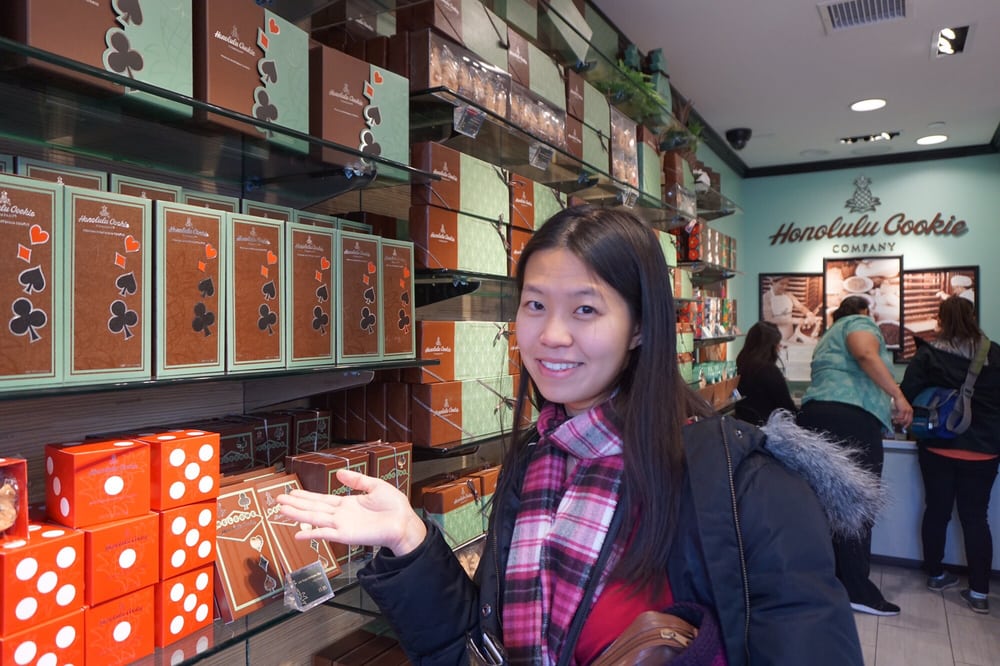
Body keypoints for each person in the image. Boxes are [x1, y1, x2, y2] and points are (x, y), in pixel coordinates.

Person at [277, 207, 877, 665]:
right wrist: (409, 539)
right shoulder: (536, 461)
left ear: (640, 327)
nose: (552, 335)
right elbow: (477, 651)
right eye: (535, 305)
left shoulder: (747, 486)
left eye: (585, 309)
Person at [797, 295, 914, 617]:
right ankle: (856, 590)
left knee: (824, 505)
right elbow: (864, 352)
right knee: (856, 505)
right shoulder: (859, 322)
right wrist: (898, 395)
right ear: (864, 311)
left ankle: (824, 582)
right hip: (849, 420)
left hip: (816, 416)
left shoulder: (827, 336)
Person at [900, 296, 1000, 614]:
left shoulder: (929, 354)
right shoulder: (995, 353)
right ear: (973, 317)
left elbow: (907, 393)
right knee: (976, 518)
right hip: (984, 450)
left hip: (938, 446)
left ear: (940, 320)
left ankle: (936, 574)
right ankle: (980, 593)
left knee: (937, 510)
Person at [734, 320, 797, 425]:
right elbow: (787, 409)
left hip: (743, 427)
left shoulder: (740, 365)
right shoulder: (769, 371)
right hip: (767, 428)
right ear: (771, 347)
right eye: (778, 344)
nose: (779, 348)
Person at [762, 277, 820, 344]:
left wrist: (809, 314)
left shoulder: (788, 294)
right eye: (782, 284)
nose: (785, 287)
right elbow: (769, 319)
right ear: (773, 282)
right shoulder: (766, 297)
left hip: (789, 332)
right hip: (775, 334)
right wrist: (794, 320)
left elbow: (800, 306)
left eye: (787, 284)